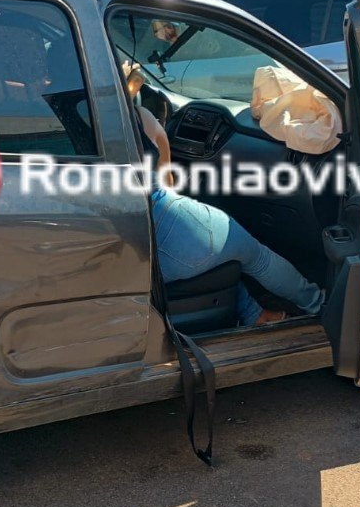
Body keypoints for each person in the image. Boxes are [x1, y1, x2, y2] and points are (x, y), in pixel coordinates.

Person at [123, 62, 324, 327]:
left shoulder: (74, 118)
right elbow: (166, 181)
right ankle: (319, 305)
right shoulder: (134, 117)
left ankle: (254, 314)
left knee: (213, 251)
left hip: (123, 254)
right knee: (253, 255)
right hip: (158, 223)